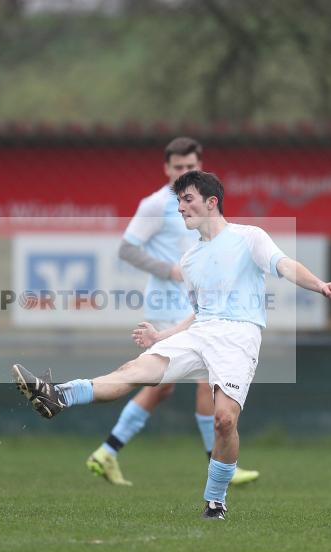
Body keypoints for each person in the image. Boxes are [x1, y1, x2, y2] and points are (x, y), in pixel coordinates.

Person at [13, 170, 331, 520]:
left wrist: (320, 284)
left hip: (238, 336)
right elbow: (197, 314)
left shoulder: (249, 237)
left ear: (211, 202)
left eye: (188, 200)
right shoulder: (189, 260)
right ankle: (58, 395)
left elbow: (285, 266)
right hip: (199, 333)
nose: (181, 208)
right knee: (134, 370)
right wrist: (161, 336)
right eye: (179, 202)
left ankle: (215, 502)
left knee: (224, 422)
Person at [85, 137, 259, 487]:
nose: (183, 172)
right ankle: (219, 462)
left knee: (162, 387)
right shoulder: (154, 205)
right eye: (177, 167)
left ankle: (107, 452)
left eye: (189, 167)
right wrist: (170, 270)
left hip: (198, 306)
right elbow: (127, 249)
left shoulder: (201, 205)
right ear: (166, 169)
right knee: (205, 380)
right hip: (168, 306)